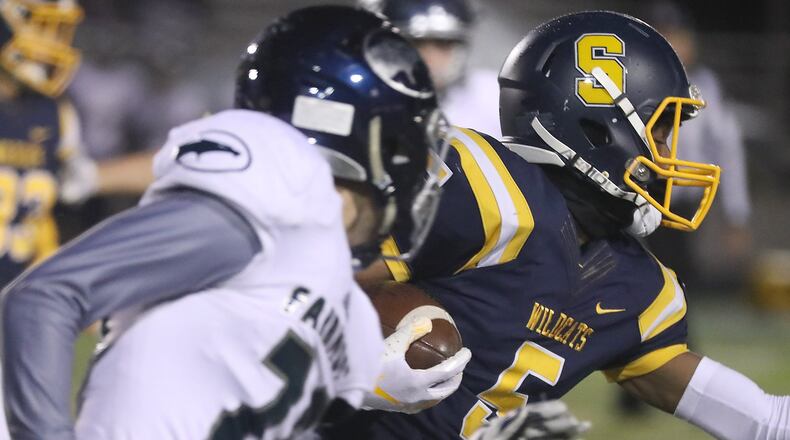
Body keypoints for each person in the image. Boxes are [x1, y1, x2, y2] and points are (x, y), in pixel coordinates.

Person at [1, 6, 474, 439]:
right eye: (398, 143)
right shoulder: (271, 187)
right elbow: (47, 295)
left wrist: (372, 378)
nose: (407, 166)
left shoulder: (326, 269)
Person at [338, 11, 790, 440]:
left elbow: (765, 421)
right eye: (660, 130)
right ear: (597, 126)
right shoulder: (486, 194)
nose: (671, 155)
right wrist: (349, 365)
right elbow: (297, 285)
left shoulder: (636, 288)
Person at [361, 0, 501, 137]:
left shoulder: (494, 96)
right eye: (416, 43)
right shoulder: (362, 94)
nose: (430, 58)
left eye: (443, 44)